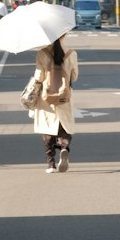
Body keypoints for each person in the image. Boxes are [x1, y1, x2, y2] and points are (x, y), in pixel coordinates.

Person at [30, 36, 78, 174]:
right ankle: (64, 147)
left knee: (47, 128)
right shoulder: (71, 54)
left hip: (46, 97)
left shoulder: (42, 53)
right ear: (64, 35)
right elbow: (74, 77)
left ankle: (51, 164)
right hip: (64, 96)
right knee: (65, 125)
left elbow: (38, 77)